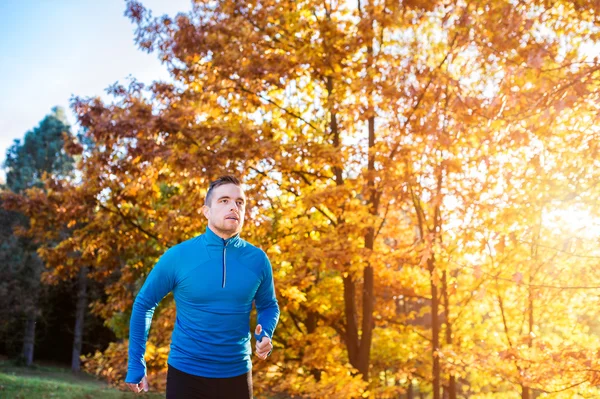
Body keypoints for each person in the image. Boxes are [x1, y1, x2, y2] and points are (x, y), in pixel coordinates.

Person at [125, 175, 280, 398]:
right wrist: (136, 362)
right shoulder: (179, 256)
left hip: (237, 376)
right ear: (206, 211)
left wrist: (265, 332)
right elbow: (144, 304)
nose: (234, 207)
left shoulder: (258, 260)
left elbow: (269, 306)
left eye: (239, 202)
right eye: (224, 200)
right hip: (186, 376)